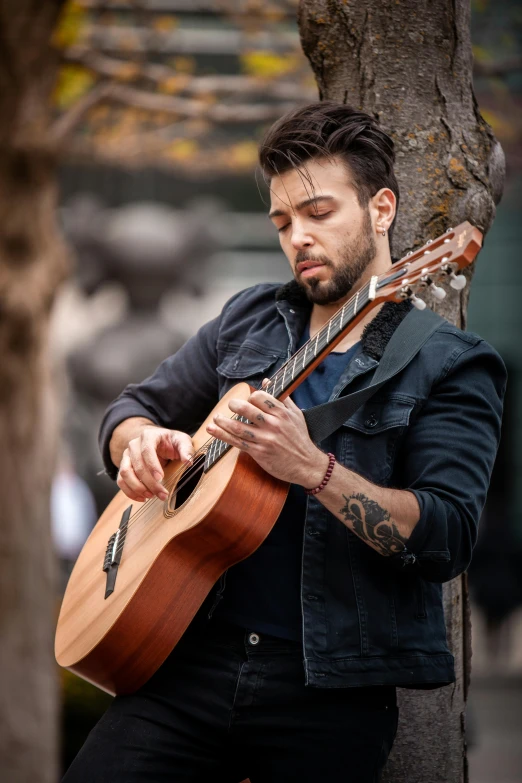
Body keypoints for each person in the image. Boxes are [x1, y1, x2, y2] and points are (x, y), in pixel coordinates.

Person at [63, 102, 506, 783]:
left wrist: (313, 468)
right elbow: (133, 406)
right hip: (186, 665)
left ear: (382, 208)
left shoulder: (449, 364)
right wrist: (138, 441)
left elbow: (445, 537)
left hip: (327, 691)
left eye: (318, 212)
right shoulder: (250, 319)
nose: (298, 236)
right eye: (282, 222)